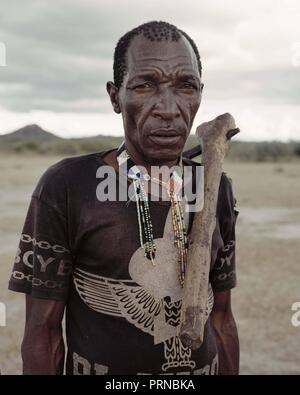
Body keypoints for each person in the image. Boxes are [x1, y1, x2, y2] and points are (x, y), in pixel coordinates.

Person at [8, 21, 239, 375]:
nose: (168, 108)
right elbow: (43, 333)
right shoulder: (69, 187)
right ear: (116, 97)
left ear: (200, 94)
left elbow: (221, 317)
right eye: (145, 85)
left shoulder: (213, 186)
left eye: (185, 86)